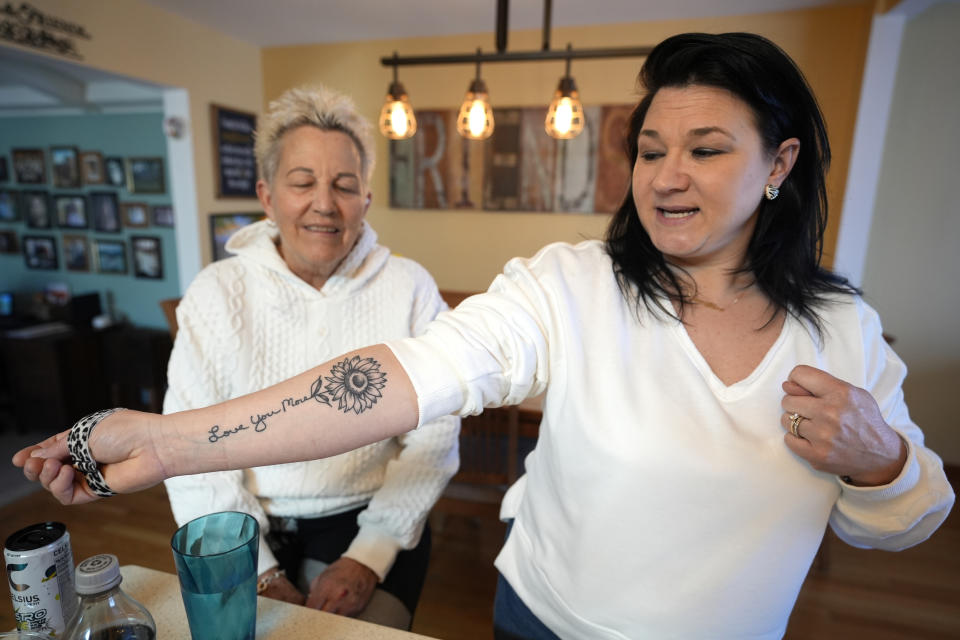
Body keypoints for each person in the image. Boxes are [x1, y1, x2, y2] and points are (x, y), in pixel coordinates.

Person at [16, 33, 954, 640]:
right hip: (540, 619)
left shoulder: (842, 330)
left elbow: (911, 519)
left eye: (706, 149)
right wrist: (166, 440)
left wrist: (882, 462)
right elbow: (407, 379)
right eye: (652, 150)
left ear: (781, 162)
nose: (668, 178)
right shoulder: (573, 284)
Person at [159, 86, 459, 629]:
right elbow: (186, 446)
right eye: (302, 183)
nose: (324, 203)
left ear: (365, 200)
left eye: (344, 185)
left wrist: (368, 555)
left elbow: (436, 436)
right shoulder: (216, 292)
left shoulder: (409, 287)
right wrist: (264, 574)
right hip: (235, 522)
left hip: (367, 518)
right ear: (268, 196)